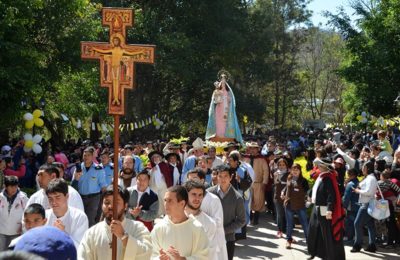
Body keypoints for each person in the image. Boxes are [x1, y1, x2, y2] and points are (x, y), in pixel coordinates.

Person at [78, 185, 152, 260]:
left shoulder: (137, 228)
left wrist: (124, 237)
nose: (110, 206)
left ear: (125, 206)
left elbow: (147, 253)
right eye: (106, 202)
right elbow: (82, 257)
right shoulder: (92, 233)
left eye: (116, 202)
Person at [150, 185, 209, 259]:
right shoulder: (159, 228)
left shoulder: (197, 228)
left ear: (182, 204)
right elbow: (151, 255)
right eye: (165, 200)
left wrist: (183, 259)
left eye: (170, 201)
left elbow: (204, 257)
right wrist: (159, 258)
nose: (166, 204)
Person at [307, 157, 345, 260]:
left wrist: (329, 210)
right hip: (316, 207)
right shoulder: (322, 176)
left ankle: (329, 256)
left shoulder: (328, 178)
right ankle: (314, 252)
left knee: (326, 232)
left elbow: (331, 196)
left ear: (324, 166)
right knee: (314, 229)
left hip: (324, 208)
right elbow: (315, 189)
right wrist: (310, 196)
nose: (317, 166)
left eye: (319, 165)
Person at [207, 164, 246, 260]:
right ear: (216, 176)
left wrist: (223, 230)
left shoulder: (237, 198)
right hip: (210, 237)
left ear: (231, 177)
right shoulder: (208, 193)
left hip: (228, 239)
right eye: (220, 176)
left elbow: (241, 220)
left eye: (226, 176)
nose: (223, 179)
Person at [45, 178, 88, 248]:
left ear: (67, 196)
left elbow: (81, 247)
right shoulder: (44, 216)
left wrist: (63, 234)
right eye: (50, 198)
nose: (53, 202)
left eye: (57, 197)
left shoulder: (80, 217)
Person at [72, 146, 107, 227]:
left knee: (90, 219)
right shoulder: (78, 168)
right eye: (84, 155)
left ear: (92, 156)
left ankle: (91, 237)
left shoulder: (99, 168)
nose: (86, 157)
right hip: (80, 197)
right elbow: (73, 184)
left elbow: (103, 185)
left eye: (88, 155)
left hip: (94, 198)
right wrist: (76, 178)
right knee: (80, 218)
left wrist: (105, 198)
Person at [184, 180, 217, 259]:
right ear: (185, 195)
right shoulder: (175, 218)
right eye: (194, 194)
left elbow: (208, 254)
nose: (197, 198)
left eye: (200, 195)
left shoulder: (210, 223)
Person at [205, 72, 243, 142]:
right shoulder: (216, 91)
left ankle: (226, 135)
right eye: (221, 83)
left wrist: (228, 99)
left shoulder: (229, 93)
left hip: (227, 110)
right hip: (219, 110)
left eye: (224, 83)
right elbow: (216, 101)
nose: (223, 84)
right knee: (218, 122)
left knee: (225, 122)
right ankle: (218, 135)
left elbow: (231, 102)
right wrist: (217, 90)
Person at [282, 163, 309, 249]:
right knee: (289, 223)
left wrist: (308, 199)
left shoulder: (304, 181)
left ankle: (309, 241)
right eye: (293, 169)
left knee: (304, 223)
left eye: (297, 170)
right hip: (289, 204)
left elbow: (307, 192)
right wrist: (283, 192)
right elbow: (287, 187)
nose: (295, 171)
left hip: (300, 205)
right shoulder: (289, 178)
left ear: (300, 171)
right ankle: (288, 240)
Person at [0, 176, 28, 251]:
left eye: (16, 186)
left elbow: (27, 213)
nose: (14, 189)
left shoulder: (23, 197)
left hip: (16, 231)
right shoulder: (0, 197)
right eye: (11, 187)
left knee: (14, 254)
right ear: (5, 186)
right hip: (1, 231)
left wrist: (22, 224)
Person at [246, 141, 269, 225]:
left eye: (254, 148)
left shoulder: (262, 159)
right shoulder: (246, 158)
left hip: (258, 182)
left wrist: (264, 182)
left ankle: (256, 218)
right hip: (247, 183)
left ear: (257, 149)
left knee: (258, 200)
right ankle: (250, 217)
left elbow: (266, 171)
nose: (252, 150)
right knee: (248, 200)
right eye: (251, 148)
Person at [342, 168, 360, 242]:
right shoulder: (359, 182)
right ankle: (356, 237)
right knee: (357, 222)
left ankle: (349, 238)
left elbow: (346, 197)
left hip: (351, 206)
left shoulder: (350, 184)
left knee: (350, 222)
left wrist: (344, 207)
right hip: (359, 205)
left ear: (350, 175)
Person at [273, 158, 289, 237]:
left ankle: (286, 228)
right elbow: (275, 184)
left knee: (286, 213)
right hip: (277, 196)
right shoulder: (276, 173)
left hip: (286, 196)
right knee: (279, 214)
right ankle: (279, 230)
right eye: (280, 165)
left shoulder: (289, 174)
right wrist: (277, 177)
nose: (281, 166)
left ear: (286, 165)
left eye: (283, 165)